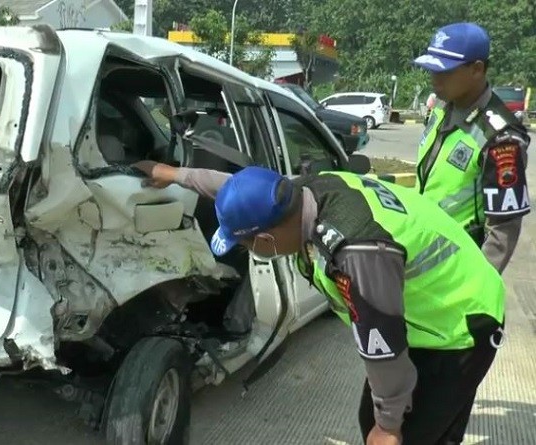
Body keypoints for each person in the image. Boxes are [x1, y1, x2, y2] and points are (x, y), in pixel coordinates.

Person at [133, 160, 506, 445]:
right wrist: (175, 173)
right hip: (437, 296)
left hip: (459, 324)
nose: (249, 252)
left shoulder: (357, 255)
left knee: (403, 432)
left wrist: (389, 426)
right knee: (387, 420)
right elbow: (234, 187)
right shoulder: (298, 192)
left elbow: (385, 350)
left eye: (246, 245)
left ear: (265, 240)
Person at [413, 22, 530, 273]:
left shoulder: (500, 138)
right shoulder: (443, 107)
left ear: (477, 69)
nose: (434, 77)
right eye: (431, 68)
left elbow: (503, 229)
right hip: (419, 260)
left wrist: (478, 287)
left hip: (457, 274)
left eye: (444, 70)